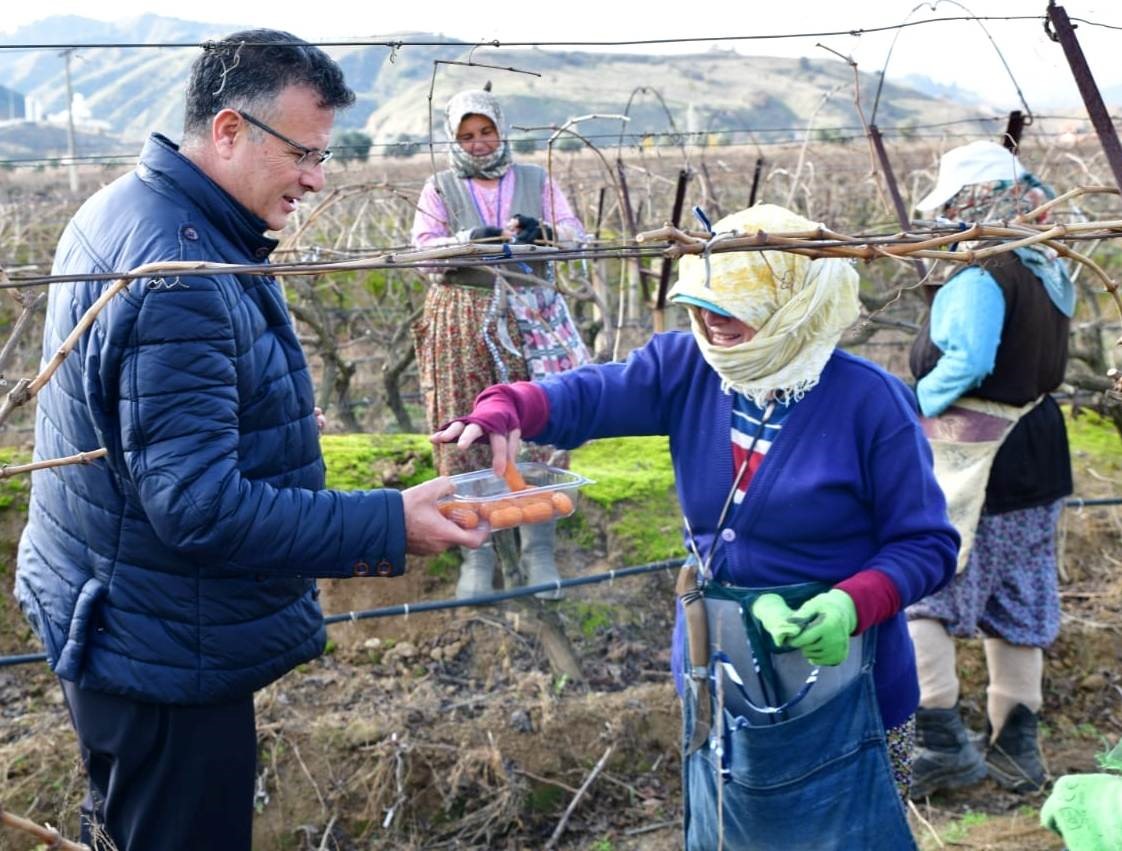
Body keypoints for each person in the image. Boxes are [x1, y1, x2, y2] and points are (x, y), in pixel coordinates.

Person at [14, 30, 486, 851]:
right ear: (229, 130)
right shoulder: (181, 273)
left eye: (323, 155)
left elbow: (143, 432)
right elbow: (198, 506)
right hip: (162, 650)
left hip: (116, 613)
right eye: (303, 153)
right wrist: (387, 523)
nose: (317, 177)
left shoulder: (125, 207)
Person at [433, 204, 959, 850]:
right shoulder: (688, 369)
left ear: (795, 302)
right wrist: (508, 407)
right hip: (721, 674)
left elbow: (927, 544)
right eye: (704, 302)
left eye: (735, 305)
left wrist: (851, 604)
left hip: (850, 687)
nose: (712, 320)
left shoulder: (871, 402)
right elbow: (590, 395)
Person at [905, 140, 1075, 798]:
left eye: (951, 205)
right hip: (1038, 442)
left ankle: (941, 741)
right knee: (1018, 593)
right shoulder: (1047, 259)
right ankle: (1016, 751)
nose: (944, 217)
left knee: (927, 586)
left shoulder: (983, 269)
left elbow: (970, 359)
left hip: (975, 449)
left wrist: (911, 404)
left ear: (970, 202)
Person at [411, 85, 591, 599]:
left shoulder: (535, 179)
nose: (478, 142)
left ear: (501, 130)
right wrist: (468, 242)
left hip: (531, 315)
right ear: (454, 139)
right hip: (462, 319)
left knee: (539, 421)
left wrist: (544, 232)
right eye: (467, 135)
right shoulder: (440, 187)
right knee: (464, 425)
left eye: (486, 131)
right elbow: (422, 254)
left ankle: (539, 547)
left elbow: (575, 237)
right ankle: (477, 552)